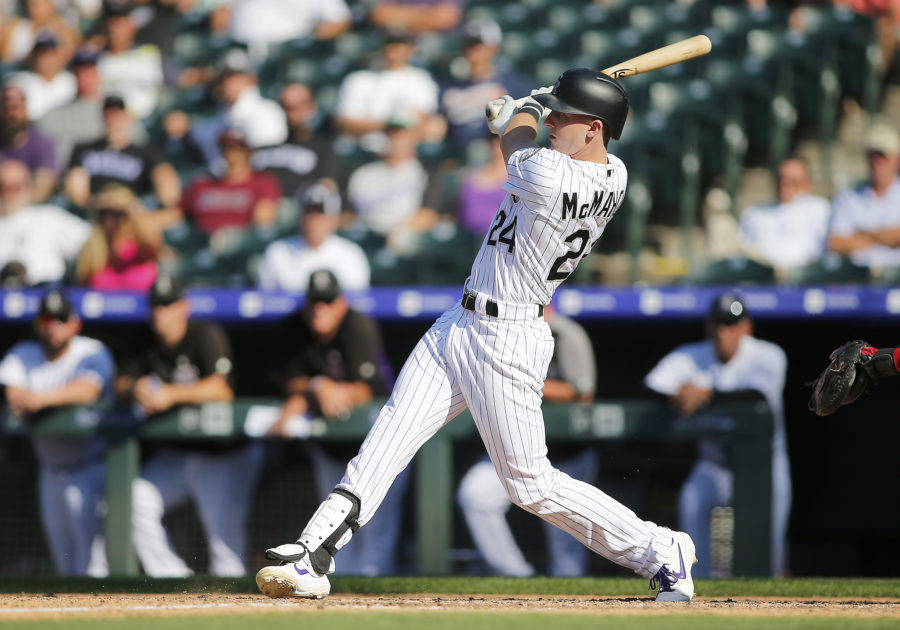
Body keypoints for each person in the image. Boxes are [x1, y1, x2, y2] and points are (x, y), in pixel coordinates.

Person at [255, 68, 697, 602]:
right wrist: (537, 108)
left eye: (567, 116)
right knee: (389, 436)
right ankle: (313, 552)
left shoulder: (554, 175)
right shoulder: (614, 171)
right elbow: (529, 135)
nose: (556, 120)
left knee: (530, 485)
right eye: (554, 112)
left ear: (595, 129)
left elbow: (515, 140)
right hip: (461, 321)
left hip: (509, 336)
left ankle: (657, 549)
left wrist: (525, 110)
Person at [116, 273, 264, 577]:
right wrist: (134, 388)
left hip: (222, 454)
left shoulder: (204, 334)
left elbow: (222, 390)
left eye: (168, 305)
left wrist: (171, 394)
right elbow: (119, 382)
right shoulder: (142, 338)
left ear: (183, 306)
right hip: (178, 454)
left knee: (224, 543)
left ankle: (235, 614)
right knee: (133, 500)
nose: (161, 313)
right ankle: (173, 581)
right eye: (156, 306)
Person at [267, 269, 406, 575]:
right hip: (331, 448)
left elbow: (368, 388)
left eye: (328, 302)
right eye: (315, 302)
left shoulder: (358, 326)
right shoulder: (294, 328)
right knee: (333, 523)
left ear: (340, 303)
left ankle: (374, 596)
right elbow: (284, 379)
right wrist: (316, 386)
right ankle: (340, 592)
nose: (321, 310)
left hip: (380, 446)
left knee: (376, 528)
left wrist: (333, 390)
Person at [644, 293, 791, 578]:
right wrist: (680, 395)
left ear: (746, 327)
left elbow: (758, 396)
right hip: (713, 462)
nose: (725, 332)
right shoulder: (692, 355)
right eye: (719, 324)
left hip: (763, 463)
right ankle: (695, 585)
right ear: (708, 327)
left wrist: (706, 394)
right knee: (692, 499)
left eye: (732, 324)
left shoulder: (769, 355)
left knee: (767, 556)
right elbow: (650, 387)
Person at [457, 304, 598, 577]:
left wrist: (519, 381)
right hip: (511, 445)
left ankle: (574, 610)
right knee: (475, 494)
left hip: (566, 454)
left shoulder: (566, 333)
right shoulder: (497, 332)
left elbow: (583, 393)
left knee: (567, 540)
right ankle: (514, 574)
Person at [0, 289, 115, 577]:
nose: (53, 326)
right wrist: (28, 399)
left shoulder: (91, 351)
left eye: (60, 319)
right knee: (65, 566)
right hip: (50, 470)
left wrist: (40, 399)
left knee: (93, 568)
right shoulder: (23, 353)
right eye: (48, 319)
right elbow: (13, 392)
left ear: (75, 324)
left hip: (90, 466)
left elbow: (89, 390)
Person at [64, 94, 181, 228]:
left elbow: (167, 185)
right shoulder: (83, 148)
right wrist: (103, 202)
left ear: (126, 117)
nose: (113, 119)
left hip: (132, 215)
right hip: (93, 214)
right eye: (109, 114)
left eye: (117, 114)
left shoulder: (145, 153)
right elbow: (76, 189)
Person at [38, 46, 148, 167]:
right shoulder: (53, 115)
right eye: (79, 71)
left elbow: (142, 148)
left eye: (89, 70)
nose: (84, 77)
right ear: (73, 75)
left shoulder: (115, 112)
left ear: (98, 74)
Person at [333, 30, 440, 153]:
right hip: (363, 151)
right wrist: (389, 124)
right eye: (389, 44)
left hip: (404, 153)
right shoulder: (358, 79)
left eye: (400, 44)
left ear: (411, 49)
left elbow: (423, 121)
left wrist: (380, 126)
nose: (394, 50)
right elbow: (344, 123)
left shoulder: (421, 79)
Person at [345, 115, 441, 253]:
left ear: (414, 137)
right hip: (364, 237)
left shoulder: (426, 172)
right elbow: (346, 216)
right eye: (391, 134)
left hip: (403, 241)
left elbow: (428, 215)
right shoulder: (362, 173)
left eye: (402, 134)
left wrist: (397, 231)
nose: (396, 139)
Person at [187, 48, 288, 174]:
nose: (228, 83)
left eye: (235, 77)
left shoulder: (268, 112)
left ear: (251, 79)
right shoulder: (215, 119)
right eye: (224, 78)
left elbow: (266, 161)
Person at [257, 180, 370, 292]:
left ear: (333, 219)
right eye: (309, 214)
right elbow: (267, 300)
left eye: (320, 215)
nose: (313, 222)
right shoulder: (278, 252)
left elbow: (357, 303)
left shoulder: (351, 254)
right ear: (299, 217)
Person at [438, 19, 533, 152]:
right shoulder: (449, 85)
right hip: (456, 153)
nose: (473, 50)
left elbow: (529, 115)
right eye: (469, 44)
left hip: (497, 153)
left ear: (494, 49)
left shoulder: (511, 82)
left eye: (479, 44)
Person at [0, 159, 90, 286]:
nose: (10, 193)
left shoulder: (48, 216)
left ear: (28, 187)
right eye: (3, 187)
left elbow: (92, 242)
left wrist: (86, 202)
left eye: (16, 187)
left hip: (45, 293)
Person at [177, 128, 282, 235]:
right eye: (225, 147)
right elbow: (176, 213)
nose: (230, 152)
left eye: (236, 147)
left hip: (240, 243)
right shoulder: (203, 183)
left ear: (248, 150)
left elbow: (263, 219)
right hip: (201, 239)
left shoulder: (262, 182)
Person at [827, 121, 900, 270]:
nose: (877, 164)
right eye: (872, 157)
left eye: (883, 158)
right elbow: (836, 243)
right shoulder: (848, 197)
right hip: (857, 280)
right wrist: (887, 238)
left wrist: (862, 235)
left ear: (896, 160)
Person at [738, 157, 831, 272]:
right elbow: (744, 252)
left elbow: (823, 252)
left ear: (808, 184)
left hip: (807, 279)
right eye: (780, 179)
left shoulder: (821, 209)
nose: (785, 185)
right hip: (762, 281)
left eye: (793, 182)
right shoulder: (753, 213)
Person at [250, 83, 339, 198]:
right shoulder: (260, 145)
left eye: (294, 107)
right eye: (284, 106)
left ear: (312, 107)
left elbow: (328, 189)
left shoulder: (324, 148)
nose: (289, 114)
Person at [74, 183, 161, 290]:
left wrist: (131, 207)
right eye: (104, 213)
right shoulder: (92, 251)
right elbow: (81, 288)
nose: (109, 219)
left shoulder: (139, 247)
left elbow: (153, 241)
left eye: (117, 213)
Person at [96, 0, 164, 120]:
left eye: (120, 22)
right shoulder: (93, 59)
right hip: (104, 121)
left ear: (131, 26)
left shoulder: (148, 55)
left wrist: (128, 116)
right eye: (111, 22)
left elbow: (153, 91)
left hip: (142, 121)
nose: (115, 28)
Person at [226, 0, 351, 62]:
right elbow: (223, 13)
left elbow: (340, 21)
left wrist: (310, 41)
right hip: (241, 52)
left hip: (289, 56)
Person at [0, 82, 58, 201]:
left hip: (30, 210)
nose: (11, 114)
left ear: (26, 109)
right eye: (6, 108)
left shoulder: (43, 143)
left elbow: (43, 186)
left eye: (16, 107)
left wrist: (13, 203)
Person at [6, 32, 77, 122]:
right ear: (33, 56)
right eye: (41, 53)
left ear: (59, 56)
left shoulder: (71, 80)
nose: (45, 59)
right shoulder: (19, 81)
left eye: (50, 53)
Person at [0, 0, 81, 65]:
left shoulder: (61, 27)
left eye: (36, 4)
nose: (31, 7)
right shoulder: (14, 25)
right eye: (30, 3)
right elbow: (5, 57)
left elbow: (68, 55)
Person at [368, 0, 463, 35]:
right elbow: (381, 16)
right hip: (400, 36)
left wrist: (403, 15)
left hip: (437, 39)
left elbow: (446, 18)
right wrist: (427, 14)